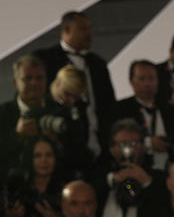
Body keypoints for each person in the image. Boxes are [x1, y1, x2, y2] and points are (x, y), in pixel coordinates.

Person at [34, 11, 116, 162]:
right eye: (83, 29)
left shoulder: (97, 63)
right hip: (63, 145)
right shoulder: (45, 59)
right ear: (66, 30)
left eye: (90, 29)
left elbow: (109, 104)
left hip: (99, 143)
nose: (89, 33)